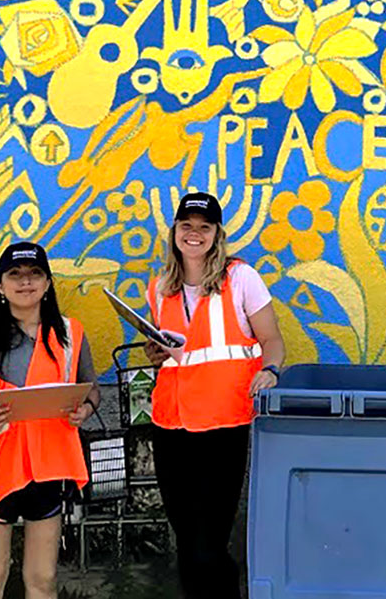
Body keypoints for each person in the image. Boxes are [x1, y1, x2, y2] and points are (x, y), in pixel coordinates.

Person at [145, 191, 286, 599]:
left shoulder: (240, 278)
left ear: (216, 234)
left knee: (209, 543)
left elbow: (272, 338)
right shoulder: (160, 287)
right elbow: (176, 355)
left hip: (225, 424)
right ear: (175, 232)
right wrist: (156, 354)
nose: (195, 234)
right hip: (170, 425)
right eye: (187, 226)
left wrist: (271, 370)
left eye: (204, 227)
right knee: (187, 541)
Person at [0, 241, 100, 599]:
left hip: (48, 466)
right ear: (0, 285)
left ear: (47, 283)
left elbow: (91, 388)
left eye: (34, 274)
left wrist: (85, 409)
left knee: (42, 580)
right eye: (15, 275)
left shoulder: (71, 333)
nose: (25, 282)